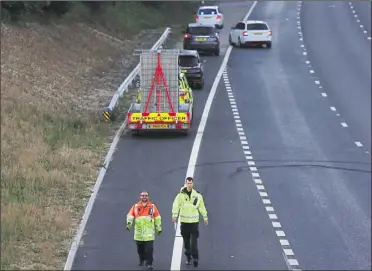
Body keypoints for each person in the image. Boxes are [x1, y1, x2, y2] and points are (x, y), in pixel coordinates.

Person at [172, 177, 208, 267]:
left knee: (194, 244)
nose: (189, 185)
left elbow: (201, 207)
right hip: (184, 223)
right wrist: (174, 215)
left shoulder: (197, 196)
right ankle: (188, 257)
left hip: (194, 223)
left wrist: (205, 217)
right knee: (187, 243)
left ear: (193, 184)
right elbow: (175, 205)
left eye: (191, 183)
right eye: (188, 183)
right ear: (185, 183)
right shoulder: (180, 196)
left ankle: (195, 258)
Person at [126, 190, 162, 270]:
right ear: (140, 197)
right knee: (140, 249)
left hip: (149, 234)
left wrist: (158, 228)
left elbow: (157, 218)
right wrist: (129, 224)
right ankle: (141, 259)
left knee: (149, 249)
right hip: (139, 234)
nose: (144, 197)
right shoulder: (135, 206)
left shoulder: (152, 207)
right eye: (142, 195)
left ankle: (149, 263)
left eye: (145, 195)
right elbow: (130, 216)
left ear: (148, 197)